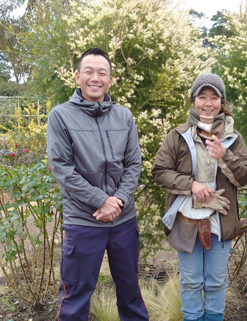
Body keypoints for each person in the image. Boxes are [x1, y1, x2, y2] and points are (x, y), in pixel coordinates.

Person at [47, 47, 149, 321]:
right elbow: (61, 167)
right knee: (76, 295)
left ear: (110, 80)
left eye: (102, 73)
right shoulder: (60, 116)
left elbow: (133, 164)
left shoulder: (124, 116)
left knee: (130, 292)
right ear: (78, 77)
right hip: (83, 221)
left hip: (123, 220)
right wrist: (100, 200)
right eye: (89, 72)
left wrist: (117, 201)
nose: (95, 78)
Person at [151, 73, 247, 321]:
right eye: (202, 97)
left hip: (220, 219)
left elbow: (245, 176)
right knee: (191, 282)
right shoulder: (178, 135)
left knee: (217, 282)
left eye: (214, 97)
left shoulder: (233, 137)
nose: (208, 103)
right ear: (193, 100)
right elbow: (160, 172)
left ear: (222, 102)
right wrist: (191, 185)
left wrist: (224, 155)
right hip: (187, 219)